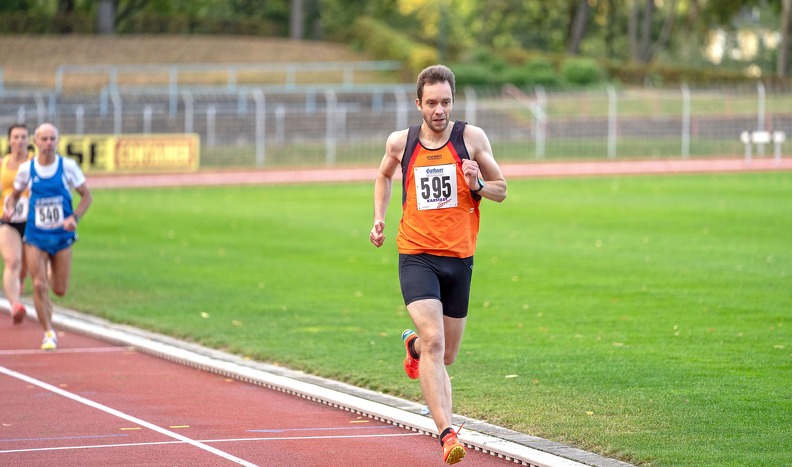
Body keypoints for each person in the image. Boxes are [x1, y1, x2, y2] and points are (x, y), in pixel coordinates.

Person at [369, 65, 507, 464]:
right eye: (431, 103)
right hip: (417, 255)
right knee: (435, 341)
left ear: (453, 101)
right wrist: (379, 217)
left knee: (445, 355)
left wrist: (477, 184)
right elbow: (383, 175)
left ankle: (412, 346)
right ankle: (447, 433)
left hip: (459, 258)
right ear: (418, 104)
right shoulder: (402, 142)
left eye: (445, 102)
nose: (439, 110)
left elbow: (501, 190)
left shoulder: (471, 139)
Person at [2, 123, 92, 350]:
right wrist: (9, 208)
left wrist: (75, 218)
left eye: (52, 139)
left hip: (61, 236)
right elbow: (14, 195)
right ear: (36, 142)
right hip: (36, 235)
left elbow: (87, 196)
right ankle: (48, 332)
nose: (48, 143)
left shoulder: (68, 166)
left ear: (57, 141)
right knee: (39, 284)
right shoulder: (27, 169)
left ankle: (51, 271)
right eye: (44, 139)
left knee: (59, 289)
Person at [1, 124, 33, 324]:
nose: (20, 140)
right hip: (8, 220)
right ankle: (15, 305)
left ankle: (20, 279)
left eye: (23, 137)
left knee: (25, 267)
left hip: (32, 220)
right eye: (16, 136)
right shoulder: (2, 164)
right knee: (12, 261)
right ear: (9, 140)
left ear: (28, 140)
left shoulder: (35, 162)